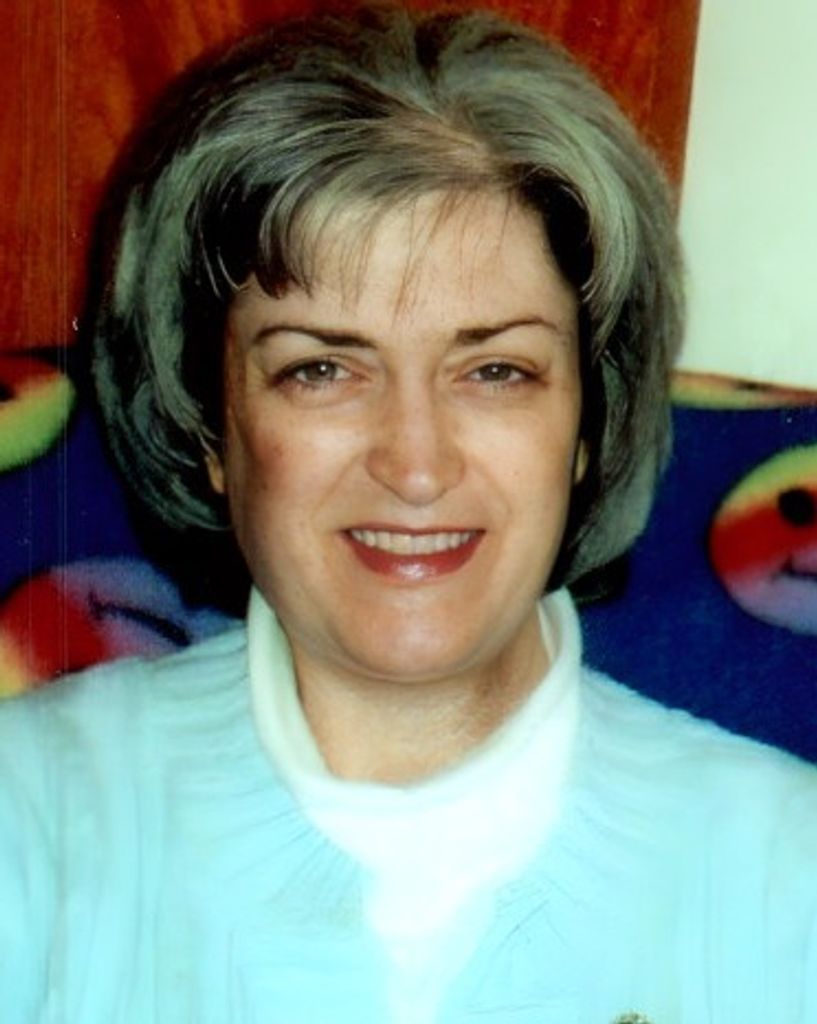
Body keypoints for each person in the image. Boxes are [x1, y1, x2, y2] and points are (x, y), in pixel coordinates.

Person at [2, 4, 815, 1022]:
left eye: (495, 370)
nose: (416, 466)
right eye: (321, 369)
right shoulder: (26, 822)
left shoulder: (786, 881)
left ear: (589, 421)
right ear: (207, 423)